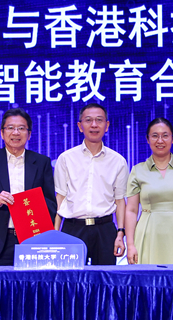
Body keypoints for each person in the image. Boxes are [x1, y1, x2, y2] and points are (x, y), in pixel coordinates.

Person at [0, 108, 56, 266]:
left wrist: (35, 209)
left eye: (21, 128)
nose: (16, 132)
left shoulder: (42, 162)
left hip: (33, 239)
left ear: (29, 134)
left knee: (33, 283)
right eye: (10, 128)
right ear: (2, 133)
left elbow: (51, 202)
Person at [54, 103, 128, 265]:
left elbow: (120, 200)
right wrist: (55, 233)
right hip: (73, 228)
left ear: (106, 126)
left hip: (105, 229)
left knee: (104, 278)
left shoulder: (118, 161)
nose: (94, 125)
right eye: (88, 120)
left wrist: (120, 233)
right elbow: (60, 197)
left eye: (99, 120)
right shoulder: (66, 158)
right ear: (80, 126)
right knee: (71, 278)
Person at [125, 118, 173, 265]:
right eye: (155, 136)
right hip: (148, 232)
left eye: (165, 135)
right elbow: (132, 210)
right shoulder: (138, 170)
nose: (160, 140)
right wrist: (130, 244)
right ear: (147, 139)